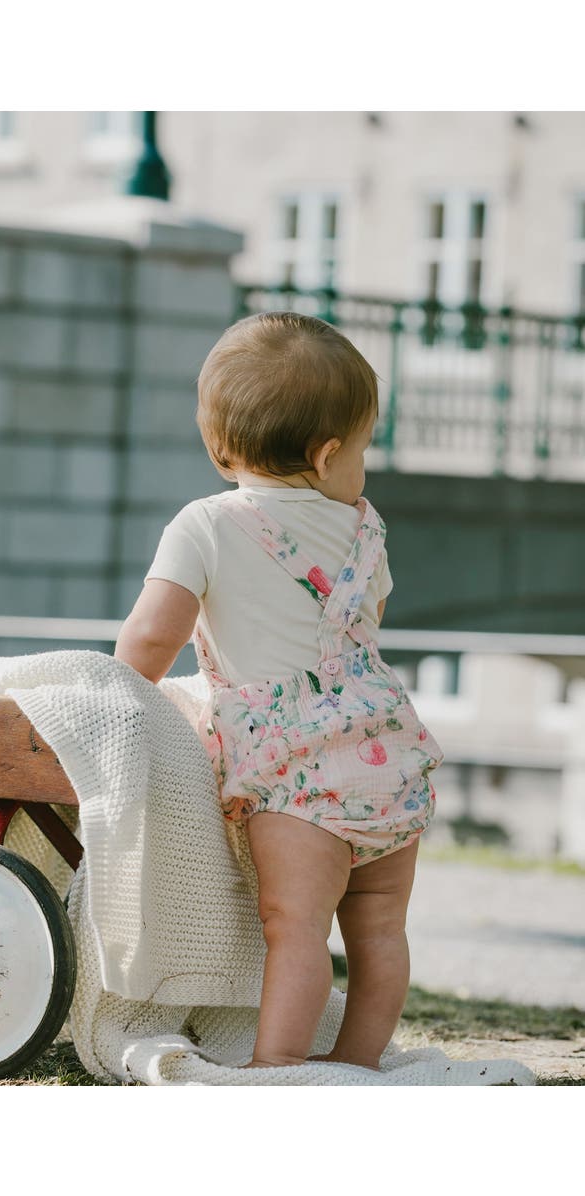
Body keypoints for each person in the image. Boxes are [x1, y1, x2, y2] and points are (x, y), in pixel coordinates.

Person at [113, 311, 444, 1071]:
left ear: (220, 442)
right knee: (381, 930)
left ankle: (277, 1071)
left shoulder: (205, 524)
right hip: (386, 750)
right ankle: (358, 1066)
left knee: (296, 928)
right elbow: (362, 631)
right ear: (329, 455)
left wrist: (123, 696)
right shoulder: (365, 529)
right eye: (362, 450)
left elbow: (153, 637)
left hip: (294, 766)